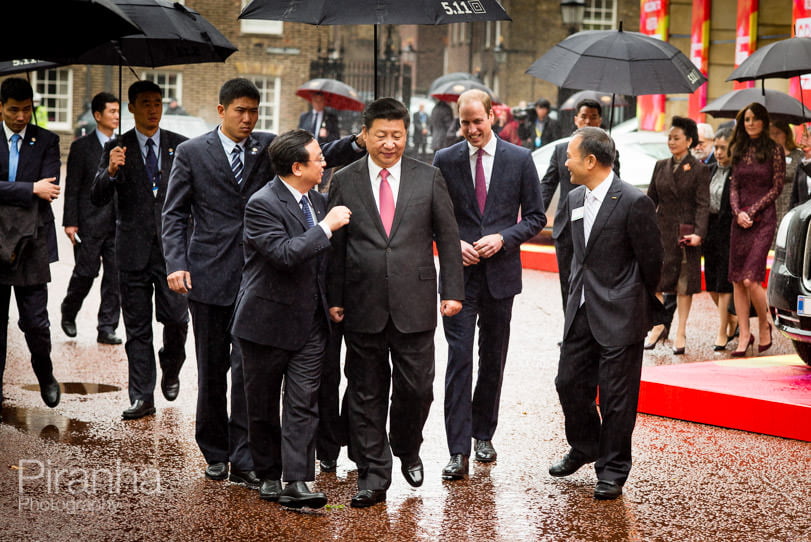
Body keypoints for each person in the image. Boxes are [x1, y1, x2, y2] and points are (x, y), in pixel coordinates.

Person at [162, 78, 366, 488]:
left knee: (247, 374)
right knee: (213, 369)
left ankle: (246, 457)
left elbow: (314, 154)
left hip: (260, 278)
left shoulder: (266, 146)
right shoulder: (191, 152)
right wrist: (176, 262)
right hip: (210, 274)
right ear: (221, 110)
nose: (248, 119)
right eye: (240, 111)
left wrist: (358, 143)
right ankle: (215, 451)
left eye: (254, 111)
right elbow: (175, 213)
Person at [326, 98, 465, 508]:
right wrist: (335, 297)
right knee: (365, 391)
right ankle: (373, 473)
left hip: (415, 302)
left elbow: (448, 237)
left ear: (407, 134)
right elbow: (337, 246)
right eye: (381, 135)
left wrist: (452, 291)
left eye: (397, 135)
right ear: (365, 135)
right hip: (361, 301)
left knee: (417, 389)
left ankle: (407, 445)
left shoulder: (429, 177)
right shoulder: (345, 179)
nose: (390, 143)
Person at [231, 129, 352, 509]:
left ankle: (298, 480)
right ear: (297, 167)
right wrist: (326, 227)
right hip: (264, 323)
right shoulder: (262, 204)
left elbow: (324, 262)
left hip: (310, 323)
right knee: (262, 406)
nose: (324, 163)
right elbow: (284, 254)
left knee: (303, 403)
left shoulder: (317, 199)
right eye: (318, 158)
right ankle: (269, 474)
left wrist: (332, 301)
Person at [432, 89, 545, 480]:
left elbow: (536, 217)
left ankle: (483, 434)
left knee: (492, 359)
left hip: (500, 276)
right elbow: (434, 216)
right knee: (459, 359)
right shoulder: (445, 159)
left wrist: (503, 238)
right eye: (464, 123)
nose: (471, 129)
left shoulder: (520, 159)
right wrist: (453, 244)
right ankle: (457, 450)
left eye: (477, 121)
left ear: (492, 116)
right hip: (459, 278)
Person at [549, 126, 663, 501]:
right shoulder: (574, 197)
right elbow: (572, 252)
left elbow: (652, 260)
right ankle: (585, 445)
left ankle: (612, 469)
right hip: (581, 308)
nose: (565, 163)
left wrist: (633, 300)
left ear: (590, 160)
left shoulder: (633, 201)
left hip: (621, 312)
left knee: (616, 397)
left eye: (570, 156)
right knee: (568, 382)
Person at [91, 80, 189, 420]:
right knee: (137, 328)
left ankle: (171, 365)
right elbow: (97, 197)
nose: (152, 109)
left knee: (177, 319)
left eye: (157, 102)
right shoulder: (117, 147)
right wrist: (110, 170)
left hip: (172, 252)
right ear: (131, 107)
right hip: (131, 251)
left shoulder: (181, 146)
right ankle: (142, 396)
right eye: (145, 103)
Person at [0, 77, 62, 416]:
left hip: (32, 242)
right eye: (14, 110)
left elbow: (49, 189)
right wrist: (28, 189)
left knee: (36, 322)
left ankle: (45, 374)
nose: (21, 117)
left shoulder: (47, 141)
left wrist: (18, 189)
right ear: (0, 107)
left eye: (26, 109)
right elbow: (36, 190)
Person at [541, 98, 618, 310]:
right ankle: (570, 325)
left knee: (594, 281)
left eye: (593, 117)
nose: (588, 121)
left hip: (596, 227)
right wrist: (536, 215)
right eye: (584, 116)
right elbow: (547, 185)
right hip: (566, 227)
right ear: (576, 119)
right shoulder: (561, 150)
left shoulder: (608, 152)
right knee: (567, 280)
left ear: (600, 120)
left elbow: (616, 186)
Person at [644, 116, 710, 355]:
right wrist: (642, 225)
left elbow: (703, 204)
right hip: (661, 232)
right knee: (656, 281)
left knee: (684, 285)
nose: (671, 142)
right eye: (669, 138)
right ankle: (659, 324)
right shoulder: (660, 165)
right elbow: (650, 199)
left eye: (676, 138)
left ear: (689, 141)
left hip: (685, 234)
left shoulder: (700, 169)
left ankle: (680, 331)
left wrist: (699, 233)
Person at [60, 92, 122, 345]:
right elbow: (73, 187)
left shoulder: (124, 145)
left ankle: (107, 327)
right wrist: (70, 221)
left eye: (118, 111)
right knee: (86, 273)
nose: (117, 116)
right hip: (89, 222)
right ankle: (69, 310)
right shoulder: (81, 147)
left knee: (115, 278)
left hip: (118, 224)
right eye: (112, 111)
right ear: (98, 115)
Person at [728, 103, 784, 357]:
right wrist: (737, 212)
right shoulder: (738, 149)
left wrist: (751, 211)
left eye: (754, 119)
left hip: (763, 220)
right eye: (746, 119)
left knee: (751, 279)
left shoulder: (774, 150)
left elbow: (777, 187)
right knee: (738, 280)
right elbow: (734, 186)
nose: (750, 123)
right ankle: (743, 334)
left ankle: (764, 323)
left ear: (763, 121)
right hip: (739, 221)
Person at [702, 127, 738, 350]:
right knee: (711, 285)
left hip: (729, 230)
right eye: (716, 147)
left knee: (724, 284)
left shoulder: (738, 172)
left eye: (723, 148)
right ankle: (732, 318)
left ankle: (722, 330)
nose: (718, 152)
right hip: (709, 229)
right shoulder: (709, 170)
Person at [769, 119, 804, 230]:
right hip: (772, 204)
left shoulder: (798, 155)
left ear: (786, 134)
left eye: (778, 133)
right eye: (771, 133)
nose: (774, 136)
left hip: (791, 202)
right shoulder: (766, 157)